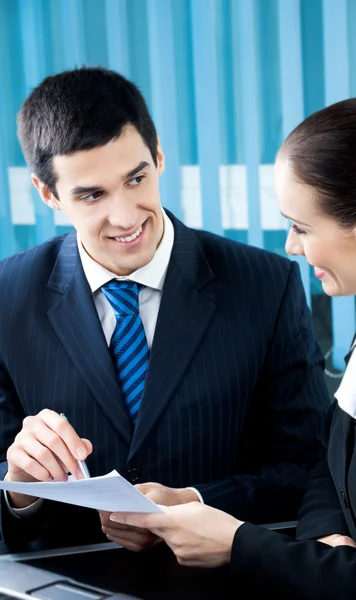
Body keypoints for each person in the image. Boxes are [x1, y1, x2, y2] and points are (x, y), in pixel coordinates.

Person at [0, 67, 329, 553]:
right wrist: (19, 485)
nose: (127, 217)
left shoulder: (266, 285)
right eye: (92, 195)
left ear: (158, 154)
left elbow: (310, 470)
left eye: (137, 178)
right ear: (48, 194)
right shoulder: (8, 296)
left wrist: (196, 501)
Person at [110, 96, 356, 599]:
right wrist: (321, 544)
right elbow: (327, 471)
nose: (291, 246)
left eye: (302, 228)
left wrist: (238, 544)